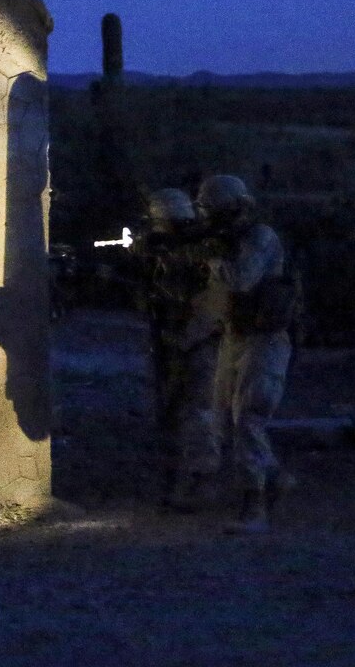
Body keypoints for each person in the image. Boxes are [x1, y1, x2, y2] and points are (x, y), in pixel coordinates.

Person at [194, 175, 296, 534]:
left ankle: (254, 508)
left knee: (247, 419)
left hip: (264, 340)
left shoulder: (259, 238)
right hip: (235, 338)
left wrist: (214, 255)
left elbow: (241, 280)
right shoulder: (227, 241)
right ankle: (273, 479)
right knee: (222, 421)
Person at [135, 188, 224, 512]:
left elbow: (209, 298)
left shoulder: (203, 250)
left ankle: (202, 482)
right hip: (176, 341)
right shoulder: (173, 252)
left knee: (200, 413)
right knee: (173, 415)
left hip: (200, 340)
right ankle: (177, 482)